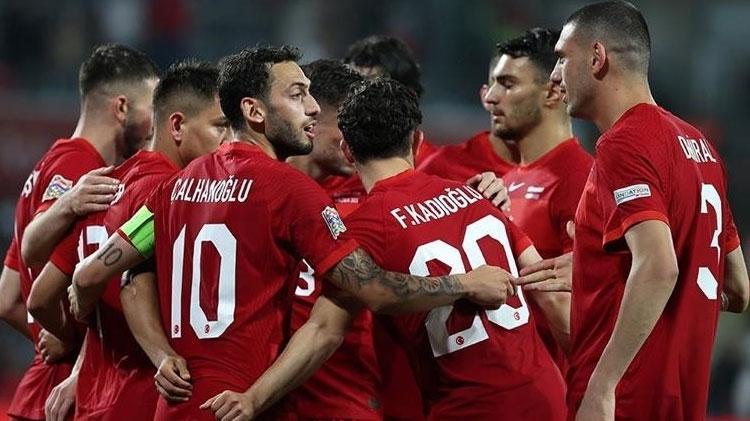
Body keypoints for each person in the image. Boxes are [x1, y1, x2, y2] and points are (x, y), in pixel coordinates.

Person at [70, 45, 515, 421]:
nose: (313, 108)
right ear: (254, 111)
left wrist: (156, 354)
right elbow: (377, 291)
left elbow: (102, 275)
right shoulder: (288, 190)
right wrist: (464, 283)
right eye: (298, 95)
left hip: (177, 405)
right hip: (239, 404)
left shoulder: (174, 187)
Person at [231, 78, 568, 420]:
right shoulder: (477, 197)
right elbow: (550, 291)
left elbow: (324, 331)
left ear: (347, 150)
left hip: (470, 406)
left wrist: (253, 400)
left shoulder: (363, 230)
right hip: (547, 395)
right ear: (417, 140)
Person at [545, 1, 749, 419]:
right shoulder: (702, 149)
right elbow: (739, 288)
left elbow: (658, 266)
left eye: (562, 58)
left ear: (597, 58)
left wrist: (603, 386)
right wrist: (603, 274)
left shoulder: (624, 142)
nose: (554, 75)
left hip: (628, 398)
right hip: (683, 398)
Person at [27, 60, 229, 420]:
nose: (228, 141)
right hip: (148, 394)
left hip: (93, 399)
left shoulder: (102, 187)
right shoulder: (172, 193)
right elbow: (125, 283)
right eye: (220, 127)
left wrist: (78, 349)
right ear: (177, 126)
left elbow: (40, 298)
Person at [0, 43, 159, 421]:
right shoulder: (82, 168)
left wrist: (58, 341)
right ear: (122, 108)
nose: (156, 123)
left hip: (41, 389)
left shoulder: (47, 165)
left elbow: (7, 299)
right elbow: (34, 264)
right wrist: (72, 345)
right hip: (71, 392)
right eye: (152, 108)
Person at [484, 28, 592, 370]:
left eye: (508, 84)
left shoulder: (579, 179)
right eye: (494, 83)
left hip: (557, 386)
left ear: (553, 92)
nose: (491, 97)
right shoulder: (506, 181)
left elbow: (581, 316)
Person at [417, 52, 518, 184]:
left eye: (509, 86)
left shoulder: (546, 174)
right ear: (485, 95)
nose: (493, 97)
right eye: (495, 87)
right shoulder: (444, 168)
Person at [345, 35, 439, 166]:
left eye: (375, 89)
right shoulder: (331, 168)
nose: (361, 101)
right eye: (353, 88)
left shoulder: (440, 169)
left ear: (409, 97)